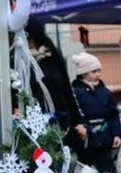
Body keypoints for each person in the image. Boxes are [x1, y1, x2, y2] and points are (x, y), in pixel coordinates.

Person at [24, 17, 86, 148]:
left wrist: (77, 121)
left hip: (60, 119)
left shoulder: (51, 54)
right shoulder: (20, 59)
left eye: (29, 38)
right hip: (35, 123)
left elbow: (66, 88)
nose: (27, 42)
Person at [70, 52, 121, 173]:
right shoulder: (75, 92)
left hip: (105, 139)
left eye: (99, 70)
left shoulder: (105, 92)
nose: (98, 74)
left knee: (108, 171)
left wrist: (117, 134)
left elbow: (113, 115)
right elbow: (74, 114)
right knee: (87, 172)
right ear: (83, 73)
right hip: (86, 140)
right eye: (94, 71)